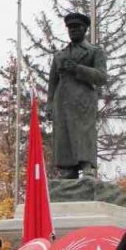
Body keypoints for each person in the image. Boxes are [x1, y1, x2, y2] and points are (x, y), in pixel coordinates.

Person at [46, 11, 108, 180]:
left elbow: (102, 77)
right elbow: (52, 82)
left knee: (84, 132)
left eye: (77, 27)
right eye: (70, 27)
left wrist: (78, 69)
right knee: (64, 133)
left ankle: (87, 166)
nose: (73, 30)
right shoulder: (59, 55)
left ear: (85, 29)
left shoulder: (95, 52)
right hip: (62, 100)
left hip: (84, 99)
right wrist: (49, 104)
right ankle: (69, 169)